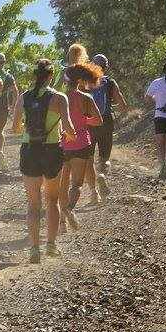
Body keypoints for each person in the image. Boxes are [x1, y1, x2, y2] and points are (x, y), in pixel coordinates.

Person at [10, 59, 76, 263]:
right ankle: (51, 245)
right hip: (51, 151)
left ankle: (33, 249)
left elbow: (15, 128)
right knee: (52, 200)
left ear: (34, 76)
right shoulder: (59, 98)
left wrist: (29, 129)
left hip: (30, 150)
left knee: (33, 204)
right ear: (51, 76)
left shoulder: (24, 97)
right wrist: (69, 135)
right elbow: (70, 128)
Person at [58, 62, 104, 231]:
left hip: (62, 143)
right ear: (81, 80)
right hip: (82, 144)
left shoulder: (59, 97)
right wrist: (84, 120)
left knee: (62, 186)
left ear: (66, 80)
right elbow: (99, 120)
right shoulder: (86, 98)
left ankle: (62, 223)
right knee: (76, 185)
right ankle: (69, 209)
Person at [89, 53, 128, 198]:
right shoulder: (110, 82)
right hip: (106, 121)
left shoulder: (85, 82)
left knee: (88, 157)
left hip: (89, 123)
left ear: (92, 65)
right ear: (106, 67)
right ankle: (102, 174)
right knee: (104, 157)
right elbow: (123, 105)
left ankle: (93, 191)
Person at [0, 52, 19, 171]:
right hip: (3, 108)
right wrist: (13, 105)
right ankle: (0, 152)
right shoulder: (8, 76)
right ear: (4, 63)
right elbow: (15, 91)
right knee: (0, 132)